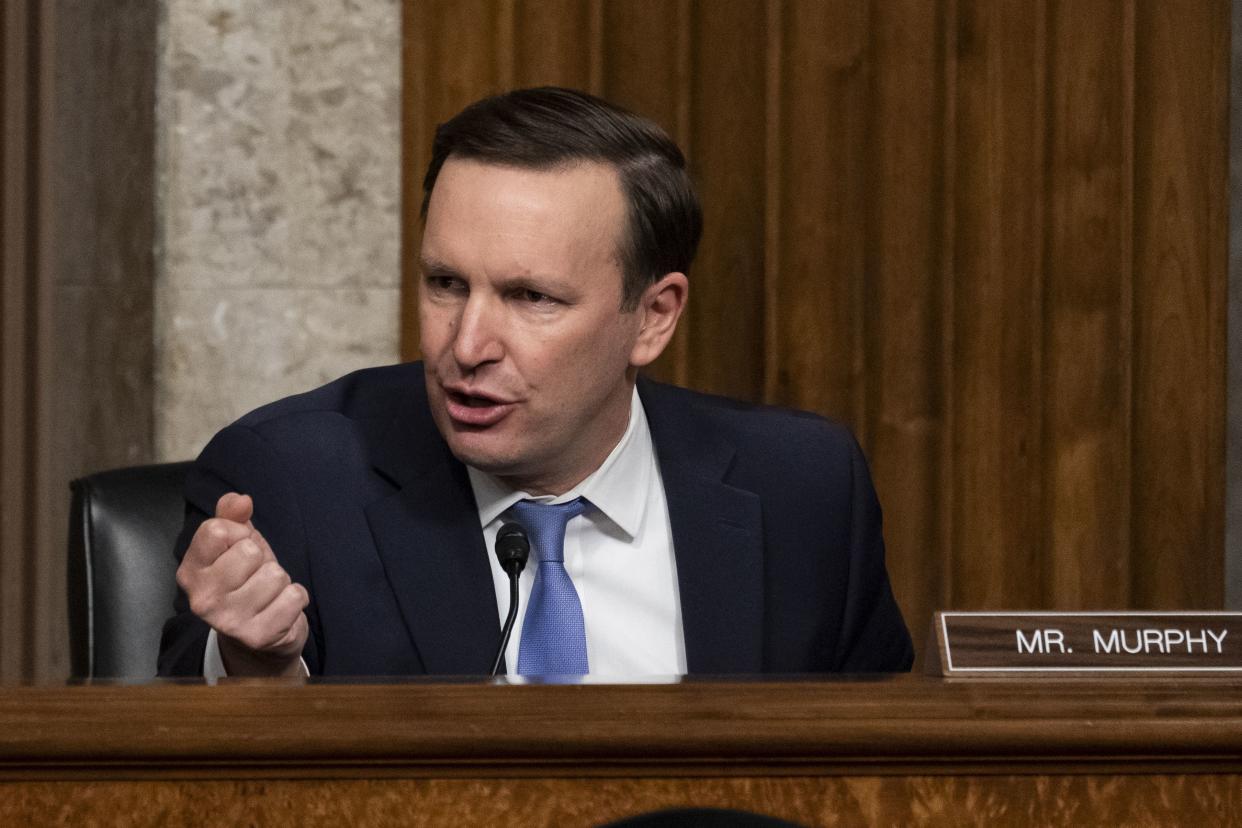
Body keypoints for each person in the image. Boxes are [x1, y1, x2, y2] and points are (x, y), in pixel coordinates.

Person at [157, 87, 913, 679]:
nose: (468, 345)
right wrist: (261, 666)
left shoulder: (804, 491)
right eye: (447, 283)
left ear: (653, 318)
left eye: (531, 298)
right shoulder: (290, 482)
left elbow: (885, 782)